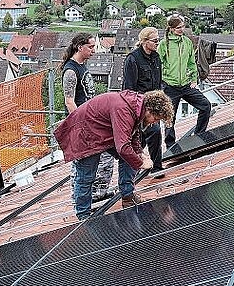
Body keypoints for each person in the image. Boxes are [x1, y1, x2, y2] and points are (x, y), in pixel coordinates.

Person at [53, 90, 174, 220]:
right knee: (86, 176)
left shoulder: (137, 107)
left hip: (103, 132)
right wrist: (140, 163)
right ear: (149, 110)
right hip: (85, 133)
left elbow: (133, 133)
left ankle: (128, 197)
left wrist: (139, 153)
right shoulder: (124, 109)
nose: (153, 123)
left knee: (131, 157)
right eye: (155, 119)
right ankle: (84, 216)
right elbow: (122, 147)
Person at [60, 32, 115, 200]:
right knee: (86, 159)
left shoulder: (82, 65)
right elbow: (69, 101)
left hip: (91, 120)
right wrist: (81, 125)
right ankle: (82, 195)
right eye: (90, 47)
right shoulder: (70, 70)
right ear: (80, 47)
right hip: (82, 123)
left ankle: (98, 191)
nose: (94, 50)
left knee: (99, 157)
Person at [158, 14, 212, 148]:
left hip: (187, 85)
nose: (181, 29)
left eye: (183, 26)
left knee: (206, 105)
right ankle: (171, 146)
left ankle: (199, 135)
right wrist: (162, 81)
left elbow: (191, 63)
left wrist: (194, 79)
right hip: (170, 86)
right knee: (170, 117)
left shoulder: (187, 42)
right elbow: (158, 63)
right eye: (178, 27)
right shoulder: (164, 44)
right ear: (171, 29)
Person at [123, 27, 165, 178]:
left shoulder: (156, 57)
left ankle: (156, 167)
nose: (157, 43)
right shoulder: (132, 59)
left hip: (153, 105)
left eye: (158, 40)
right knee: (144, 136)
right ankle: (138, 168)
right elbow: (128, 87)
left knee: (151, 136)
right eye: (154, 41)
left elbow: (159, 81)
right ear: (144, 41)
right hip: (138, 106)